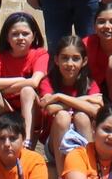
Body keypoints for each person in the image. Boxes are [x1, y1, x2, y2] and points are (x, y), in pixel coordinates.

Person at [0, 11, 47, 143]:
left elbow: (34, 82)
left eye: (25, 33)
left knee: (27, 90)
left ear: (34, 36)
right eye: (15, 34)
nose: (20, 38)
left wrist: (5, 90)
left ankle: (26, 140)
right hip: (9, 108)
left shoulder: (40, 54)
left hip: (33, 110)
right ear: (7, 37)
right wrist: (22, 80)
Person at [38, 37, 101, 167]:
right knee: (62, 116)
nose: (70, 63)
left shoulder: (90, 84)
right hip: (55, 145)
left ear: (84, 61)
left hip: (82, 138)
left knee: (82, 117)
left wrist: (60, 97)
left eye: (75, 58)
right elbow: (50, 109)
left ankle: (92, 169)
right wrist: (86, 100)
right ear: (56, 60)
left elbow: (97, 111)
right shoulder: (47, 82)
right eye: (65, 58)